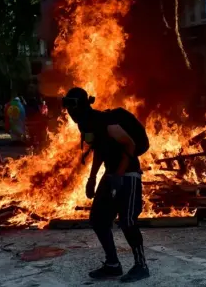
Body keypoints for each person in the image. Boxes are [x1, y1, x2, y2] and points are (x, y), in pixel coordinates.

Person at [62, 87, 150, 283]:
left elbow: (130, 145)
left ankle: (141, 266)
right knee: (98, 220)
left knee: (127, 220)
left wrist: (119, 176)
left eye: (72, 104)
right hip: (111, 175)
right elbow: (99, 151)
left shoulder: (105, 121)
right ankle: (112, 265)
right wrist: (92, 178)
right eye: (66, 104)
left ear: (82, 104)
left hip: (128, 174)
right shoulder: (86, 124)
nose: (68, 109)